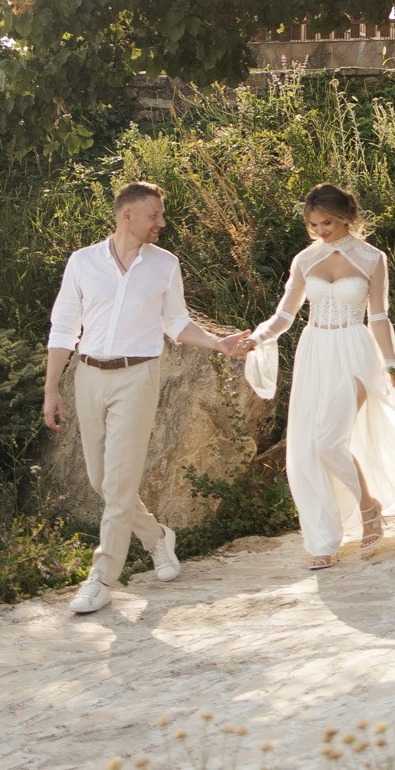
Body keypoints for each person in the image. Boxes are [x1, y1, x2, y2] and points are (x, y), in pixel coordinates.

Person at [228, 184, 395, 569]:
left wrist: (392, 362)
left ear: (346, 216)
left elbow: (378, 317)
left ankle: (368, 507)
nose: (321, 231)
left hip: (354, 351)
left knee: (329, 441)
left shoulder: (372, 258)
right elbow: (284, 315)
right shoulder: (305, 259)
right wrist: (258, 337)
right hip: (315, 353)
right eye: (314, 225)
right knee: (307, 448)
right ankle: (323, 540)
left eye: (328, 223)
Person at [43, 180, 244, 615]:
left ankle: (102, 578)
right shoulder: (83, 262)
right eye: (155, 215)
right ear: (127, 215)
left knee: (118, 485)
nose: (162, 223)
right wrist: (51, 387)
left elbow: (177, 323)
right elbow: (63, 327)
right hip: (88, 375)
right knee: (102, 481)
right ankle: (157, 538)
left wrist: (218, 343)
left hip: (138, 376)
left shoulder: (164, 265)